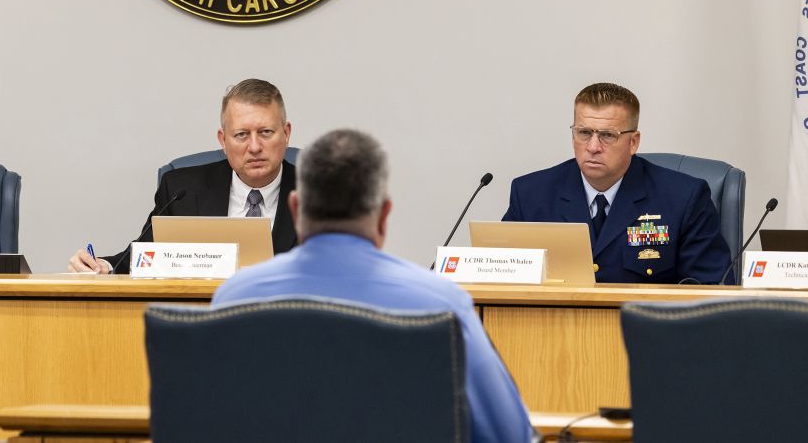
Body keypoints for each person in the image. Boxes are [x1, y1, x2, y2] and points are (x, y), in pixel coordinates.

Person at [212, 128, 533, 443]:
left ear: (295, 209)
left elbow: (210, 417)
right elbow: (508, 433)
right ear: (383, 214)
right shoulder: (442, 304)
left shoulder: (236, 297)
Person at [503, 82, 731, 283]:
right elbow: (498, 277)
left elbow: (710, 290)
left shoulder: (684, 198)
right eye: (583, 133)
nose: (593, 147)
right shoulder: (531, 195)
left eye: (607, 135)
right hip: (551, 328)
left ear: (633, 142)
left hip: (644, 329)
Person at [68, 78, 297, 274]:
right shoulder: (182, 190)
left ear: (285, 134)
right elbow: (144, 256)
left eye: (266, 132)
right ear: (223, 140)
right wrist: (104, 266)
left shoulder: (323, 195)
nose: (255, 146)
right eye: (241, 135)